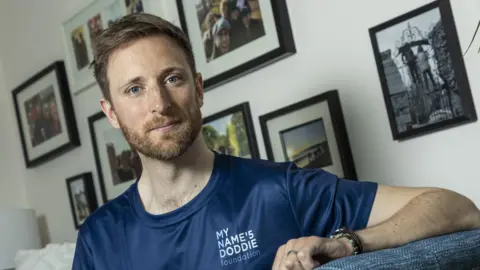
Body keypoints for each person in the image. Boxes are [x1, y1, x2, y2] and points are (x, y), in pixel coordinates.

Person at [72, 13, 480, 270]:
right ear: (111, 113)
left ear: (198, 88)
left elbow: (458, 209)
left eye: (172, 79)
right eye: (134, 90)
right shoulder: (99, 239)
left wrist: (349, 242)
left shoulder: (279, 190)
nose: (158, 103)